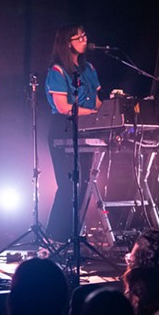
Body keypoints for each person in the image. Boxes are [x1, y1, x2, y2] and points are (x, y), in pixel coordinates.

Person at [44, 24, 102, 242]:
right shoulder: (57, 70)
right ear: (68, 43)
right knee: (68, 185)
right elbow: (63, 107)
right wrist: (94, 113)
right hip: (64, 129)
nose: (85, 40)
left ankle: (73, 235)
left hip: (87, 128)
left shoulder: (89, 69)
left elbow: (97, 102)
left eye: (85, 35)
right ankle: (55, 236)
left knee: (85, 184)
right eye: (80, 37)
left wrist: (109, 114)